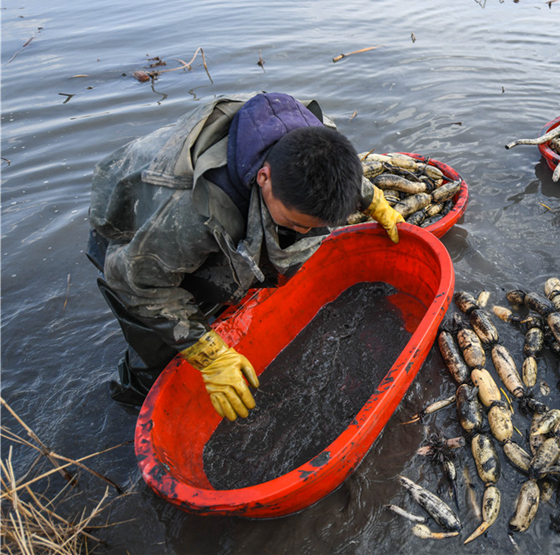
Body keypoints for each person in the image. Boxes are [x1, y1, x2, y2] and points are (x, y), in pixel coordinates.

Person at [87, 92, 404, 419]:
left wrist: (372, 200)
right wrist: (210, 357)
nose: (305, 233)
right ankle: (137, 401)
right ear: (263, 178)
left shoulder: (317, 138)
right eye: (297, 223)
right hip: (136, 230)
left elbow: (335, 175)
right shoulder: (185, 214)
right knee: (158, 343)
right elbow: (138, 283)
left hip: (211, 210)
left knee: (238, 279)